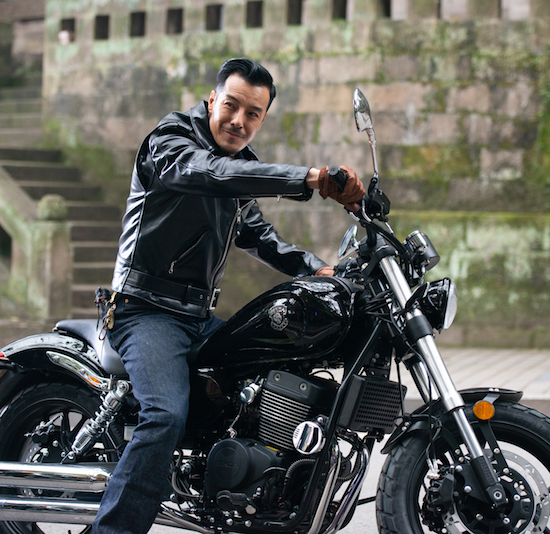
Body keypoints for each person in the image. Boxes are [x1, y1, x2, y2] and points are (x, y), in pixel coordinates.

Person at [92, 57, 365, 534]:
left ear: (263, 118)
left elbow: (257, 234)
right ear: (212, 100)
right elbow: (208, 173)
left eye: (253, 113)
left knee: (275, 373)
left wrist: (318, 269)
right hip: (144, 311)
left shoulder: (239, 166)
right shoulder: (170, 141)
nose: (239, 121)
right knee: (165, 416)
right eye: (231, 106)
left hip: (196, 317)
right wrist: (309, 177)